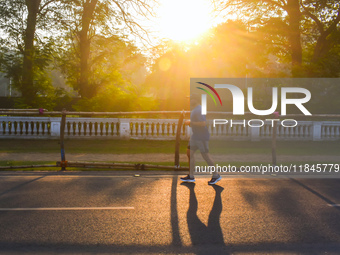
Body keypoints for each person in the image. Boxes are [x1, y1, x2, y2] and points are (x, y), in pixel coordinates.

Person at [180, 94, 221, 185]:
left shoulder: (199, 109)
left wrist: (190, 122)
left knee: (206, 156)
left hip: (201, 137)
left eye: (190, 99)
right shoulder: (195, 109)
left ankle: (216, 175)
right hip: (195, 136)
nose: (189, 101)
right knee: (189, 153)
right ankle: (191, 176)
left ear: (195, 100)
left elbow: (203, 123)